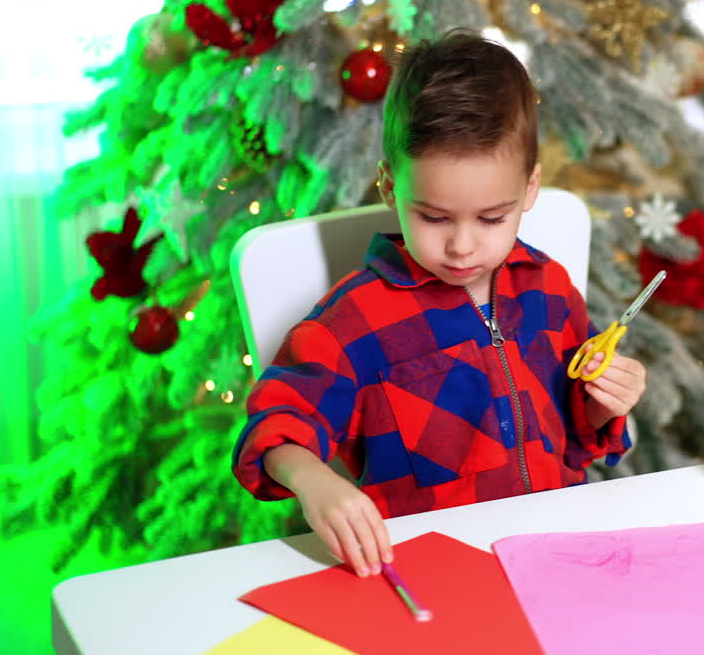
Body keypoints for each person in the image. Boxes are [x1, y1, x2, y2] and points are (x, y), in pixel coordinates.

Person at [232, 30, 647, 578]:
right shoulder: (352, 322)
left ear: (529, 189)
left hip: (554, 558)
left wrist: (605, 398)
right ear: (388, 185)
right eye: (433, 217)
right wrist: (315, 481)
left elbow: (574, 436)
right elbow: (275, 424)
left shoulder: (549, 287)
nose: (462, 245)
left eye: (492, 217)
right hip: (431, 575)